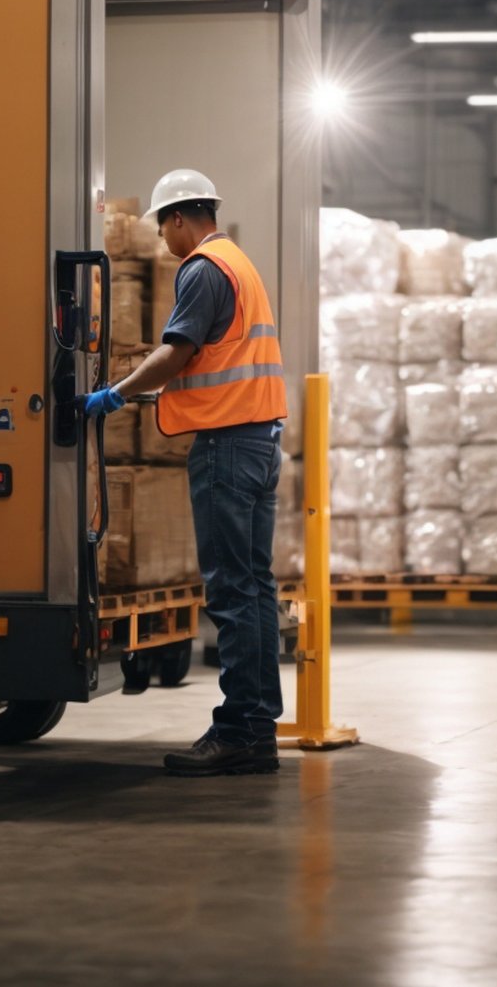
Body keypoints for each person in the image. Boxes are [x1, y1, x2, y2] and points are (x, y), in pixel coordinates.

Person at [83, 169, 287, 777]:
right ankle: (256, 726)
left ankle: (240, 729)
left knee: (230, 589)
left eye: (163, 228)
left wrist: (114, 394)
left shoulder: (201, 269)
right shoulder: (239, 264)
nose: (165, 243)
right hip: (260, 440)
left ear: (177, 218)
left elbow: (178, 352)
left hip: (228, 446)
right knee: (253, 588)